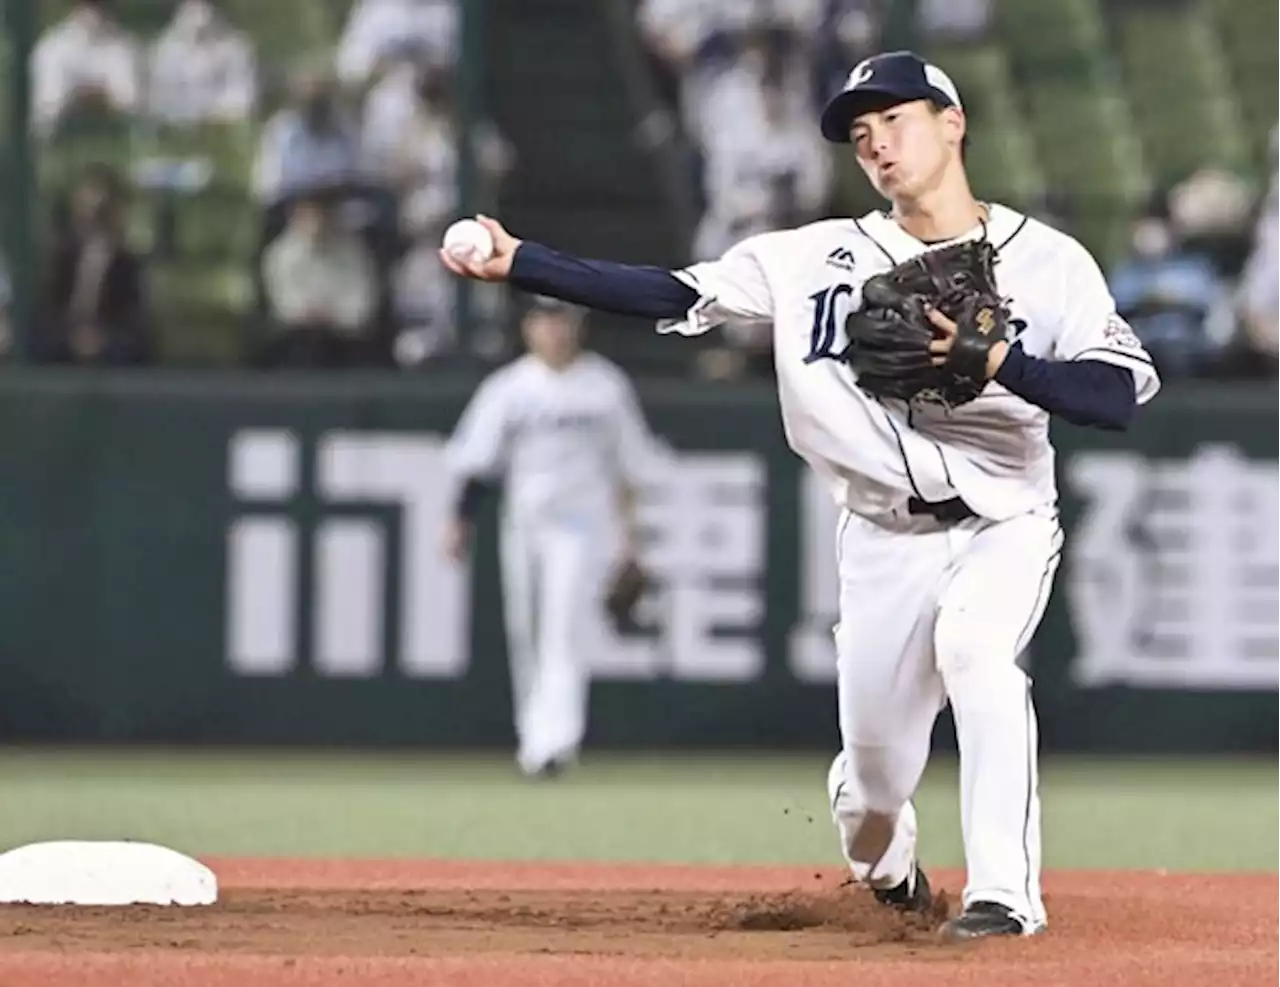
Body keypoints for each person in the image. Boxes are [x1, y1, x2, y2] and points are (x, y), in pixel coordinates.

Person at [440, 51, 1161, 938]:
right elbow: (673, 290)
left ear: (952, 122)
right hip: (881, 540)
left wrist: (1004, 361)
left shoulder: (1050, 263)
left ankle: (1004, 894)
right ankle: (886, 861)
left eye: (895, 120)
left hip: (1004, 518)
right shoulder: (812, 258)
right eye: (862, 135)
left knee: (979, 653)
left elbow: (1117, 396)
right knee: (872, 790)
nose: (878, 144)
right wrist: (523, 261)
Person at [442, 297, 654, 779]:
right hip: (526, 522)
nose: (555, 330)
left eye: (563, 320)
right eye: (545, 320)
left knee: (564, 629)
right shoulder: (510, 388)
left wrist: (631, 539)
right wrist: (459, 519)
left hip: (583, 525)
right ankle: (534, 739)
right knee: (527, 629)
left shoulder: (604, 386)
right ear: (528, 328)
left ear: (578, 327)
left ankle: (554, 744)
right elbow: (477, 462)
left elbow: (628, 469)